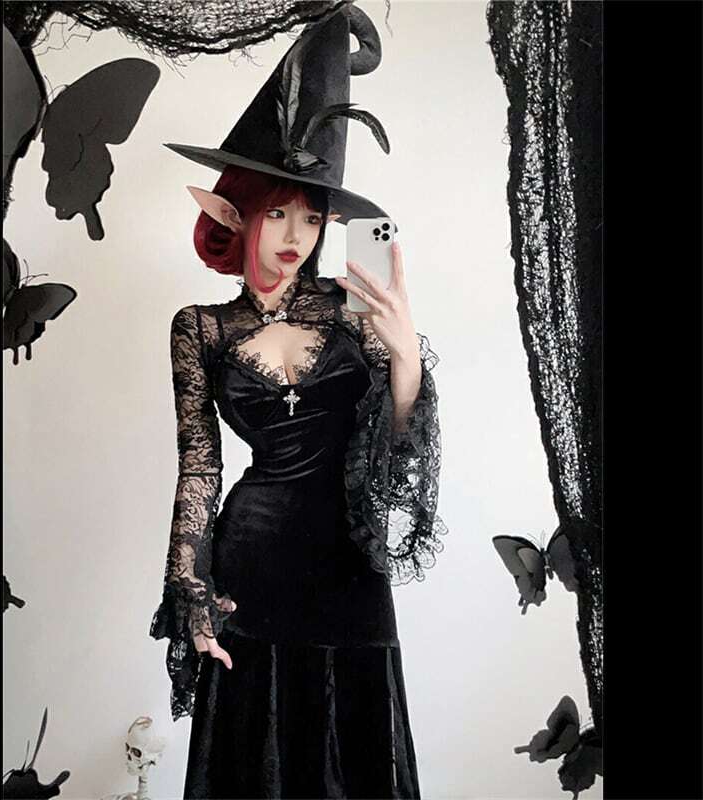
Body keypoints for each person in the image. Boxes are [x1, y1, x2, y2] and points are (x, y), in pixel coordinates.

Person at [149, 5, 447, 798]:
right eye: (277, 211)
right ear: (234, 212)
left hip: (348, 564)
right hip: (250, 563)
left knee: (361, 759)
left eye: (312, 216)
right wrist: (192, 595)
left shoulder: (352, 310)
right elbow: (200, 469)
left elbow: (397, 447)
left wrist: (404, 353)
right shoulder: (199, 327)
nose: (295, 235)